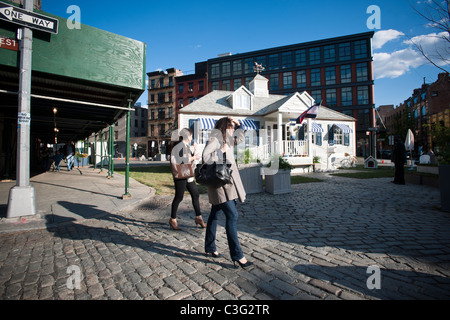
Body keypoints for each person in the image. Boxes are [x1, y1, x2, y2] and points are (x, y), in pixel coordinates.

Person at [202, 117, 253, 269]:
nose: (232, 129)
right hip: (220, 187)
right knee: (232, 215)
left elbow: (241, 138)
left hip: (227, 185)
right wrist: (220, 151)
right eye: (230, 126)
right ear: (224, 127)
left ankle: (210, 247)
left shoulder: (227, 140)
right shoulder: (215, 139)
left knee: (215, 214)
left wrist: (239, 124)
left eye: (233, 127)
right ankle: (238, 256)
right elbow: (205, 158)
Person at [169, 128, 206, 230]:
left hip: (187, 175)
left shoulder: (185, 146)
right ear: (188, 136)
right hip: (181, 176)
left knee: (195, 194)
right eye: (191, 135)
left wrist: (194, 151)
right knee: (179, 197)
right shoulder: (179, 146)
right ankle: (173, 219)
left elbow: (187, 159)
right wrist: (194, 157)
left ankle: (199, 217)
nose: (192, 137)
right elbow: (182, 160)